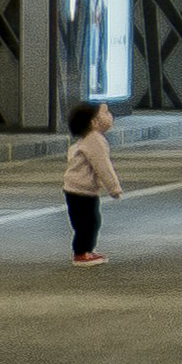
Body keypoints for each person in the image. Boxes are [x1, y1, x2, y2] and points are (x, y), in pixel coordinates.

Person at [62, 100, 128, 266]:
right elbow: (102, 166)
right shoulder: (95, 140)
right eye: (105, 113)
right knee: (89, 222)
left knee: (85, 222)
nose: (110, 116)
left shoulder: (86, 139)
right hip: (82, 190)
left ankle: (85, 251)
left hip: (75, 188)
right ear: (94, 122)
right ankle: (81, 253)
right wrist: (114, 188)